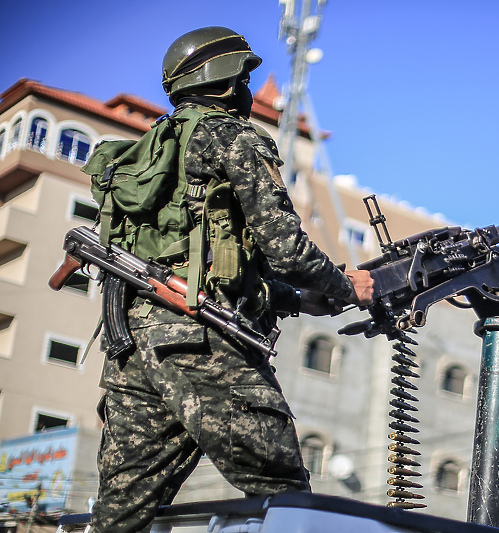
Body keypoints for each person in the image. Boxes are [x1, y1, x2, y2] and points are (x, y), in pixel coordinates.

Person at [90, 26, 373, 532]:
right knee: (283, 490)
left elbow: (219, 259)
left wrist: (297, 301)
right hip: (201, 341)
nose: (247, 86)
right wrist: (347, 285)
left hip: (134, 347)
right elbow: (285, 248)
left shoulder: (156, 150)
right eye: (244, 76)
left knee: (121, 512)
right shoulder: (234, 138)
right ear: (226, 81)